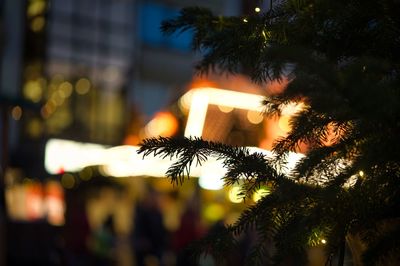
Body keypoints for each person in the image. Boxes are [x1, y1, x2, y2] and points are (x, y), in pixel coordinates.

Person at [132, 187, 167, 266]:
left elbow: (160, 231)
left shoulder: (158, 213)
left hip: (155, 248)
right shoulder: (142, 213)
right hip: (145, 249)